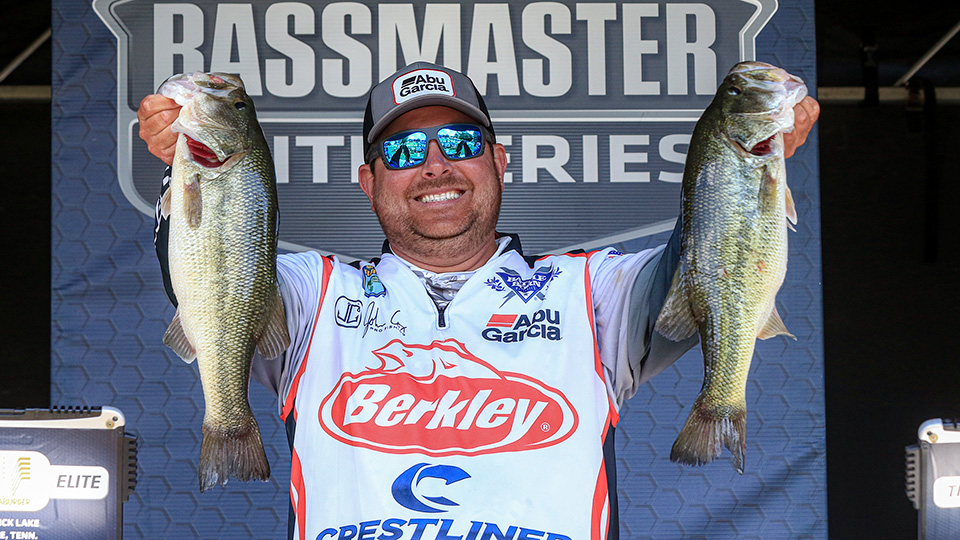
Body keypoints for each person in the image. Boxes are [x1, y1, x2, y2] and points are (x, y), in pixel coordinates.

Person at [139, 62, 819, 540]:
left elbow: (703, 269)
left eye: (461, 143)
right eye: (404, 149)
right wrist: (184, 172)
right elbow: (212, 278)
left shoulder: (593, 292)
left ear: (499, 162)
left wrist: (738, 170)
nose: (435, 164)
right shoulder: (311, 293)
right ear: (368, 182)